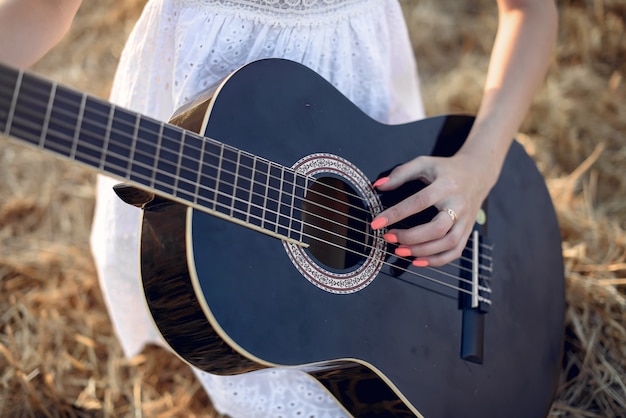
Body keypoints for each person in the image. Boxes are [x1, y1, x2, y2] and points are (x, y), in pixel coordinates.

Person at [0, 0, 558, 416]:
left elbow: (531, 12)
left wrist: (480, 165)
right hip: (201, 118)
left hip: (350, 110)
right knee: (222, 311)